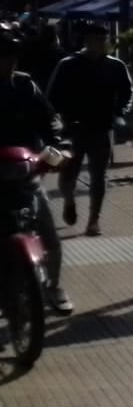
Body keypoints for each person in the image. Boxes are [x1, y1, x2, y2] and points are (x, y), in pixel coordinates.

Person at [0, 33, 74, 314]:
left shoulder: (25, 86)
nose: (7, 63)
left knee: (49, 237)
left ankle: (53, 286)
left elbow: (51, 122)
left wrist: (60, 149)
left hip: (25, 175)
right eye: (2, 57)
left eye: (11, 57)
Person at [47, 23, 133, 237]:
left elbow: (127, 92)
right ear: (87, 41)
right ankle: (68, 200)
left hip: (102, 128)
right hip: (73, 129)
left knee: (99, 176)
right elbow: (53, 97)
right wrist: (57, 122)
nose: (103, 44)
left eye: (105, 39)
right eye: (98, 39)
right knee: (69, 173)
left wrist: (120, 111)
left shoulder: (115, 66)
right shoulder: (68, 64)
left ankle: (94, 220)